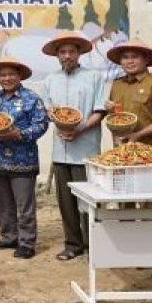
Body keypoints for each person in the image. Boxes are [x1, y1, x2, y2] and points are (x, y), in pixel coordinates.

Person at [41, 31, 108, 260]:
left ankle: (94, 244)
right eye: (63, 52)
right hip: (61, 150)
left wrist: (80, 129)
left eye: (71, 51)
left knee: (88, 199)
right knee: (66, 201)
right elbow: (49, 110)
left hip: (86, 149)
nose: (67, 55)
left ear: (79, 53)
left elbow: (100, 111)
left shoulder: (94, 77)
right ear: (57, 56)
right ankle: (72, 243)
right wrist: (56, 118)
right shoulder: (50, 80)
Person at [0, 57, 48, 259]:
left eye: (11, 74)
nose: (7, 78)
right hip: (0, 158)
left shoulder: (32, 98)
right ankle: (9, 237)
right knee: (2, 203)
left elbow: (41, 125)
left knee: (24, 204)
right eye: (3, 75)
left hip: (24, 160)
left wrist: (19, 134)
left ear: (19, 76)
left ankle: (27, 242)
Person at [105, 38, 152, 149]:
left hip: (149, 153)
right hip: (120, 152)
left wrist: (137, 135)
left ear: (146, 59)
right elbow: (115, 118)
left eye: (135, 57)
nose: (130, 61)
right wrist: (110, 109)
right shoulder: (117, 84)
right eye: (125, 57)